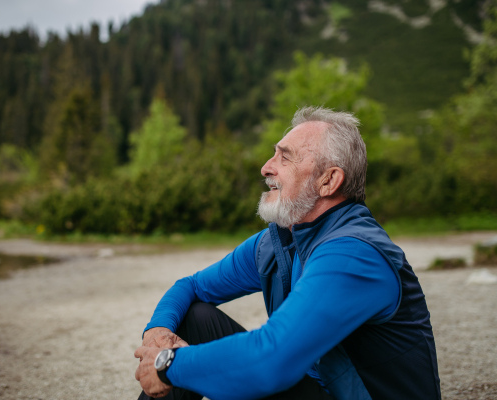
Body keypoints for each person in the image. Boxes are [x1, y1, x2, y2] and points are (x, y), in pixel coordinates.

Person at [134, 106, 441, 400]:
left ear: (328, 181)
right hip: (314, 391)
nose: (266, 167)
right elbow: (192, 286)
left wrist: (168, 364)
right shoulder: (279, 240)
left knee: (233, 360)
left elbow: (272, 359)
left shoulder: (354, 253)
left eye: (285, 157)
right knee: (194, 315)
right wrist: (157, 331)